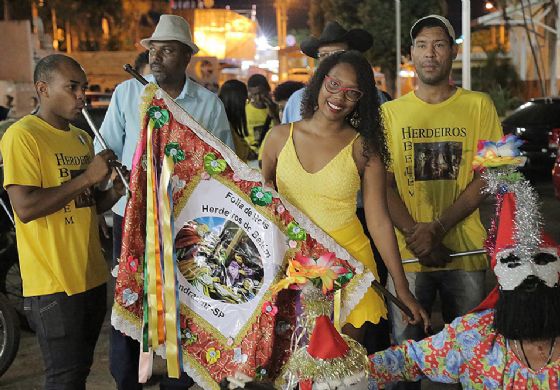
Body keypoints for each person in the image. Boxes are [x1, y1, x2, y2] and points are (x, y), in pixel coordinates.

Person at [96, 14, 233, 390]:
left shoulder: (208, 104)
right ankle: (127, 377)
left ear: (187, 56)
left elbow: (223, 164)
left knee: (186, 299)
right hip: (132, 217)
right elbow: (103, 147)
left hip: (187, 222)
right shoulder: (127, 93)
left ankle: (179, 377)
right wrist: (118, 174)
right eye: (153, 50)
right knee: (129, 294)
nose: (156, 58)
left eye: (167, 50)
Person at [261, 50, 430, 346]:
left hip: (348, 267)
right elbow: (262, 204)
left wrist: (401, 287)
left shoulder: (364, 148)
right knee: (295, 369)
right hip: (291, 264)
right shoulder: (278, 137)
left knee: (341, 369)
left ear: (361, 100)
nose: (339, 97)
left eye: (352, 92)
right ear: (318, 83)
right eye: (334, 85)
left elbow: (378, 220)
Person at [382, 14, 504, 376]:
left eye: (438, 44)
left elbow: (491, 175)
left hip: (466, 252)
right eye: (421, 45)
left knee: (468, 357)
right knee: (405, 359)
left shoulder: (479, 106)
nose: (429, 53)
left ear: (452, 53)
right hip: (405, 258)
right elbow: (382, 185)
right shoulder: (389, 113)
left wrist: (437, 227)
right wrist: (418, 236)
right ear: (411, 55)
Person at [369, 164, 560, 388]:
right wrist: (345, 370)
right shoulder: (473, 337)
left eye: (541, 262)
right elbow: (405, 360)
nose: (529, 277)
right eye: (514, 264)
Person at [0, 54, 126, 389]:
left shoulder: (82, 139)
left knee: (79, 372)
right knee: (63, 378)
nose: (82, 95)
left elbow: (87, 205)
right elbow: (25, 207)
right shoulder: (22, 136)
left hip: (91, 276)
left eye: (83, 87)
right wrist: (87, 177)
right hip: (54, 282)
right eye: (72, 87)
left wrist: (113, 190)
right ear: (43, 88)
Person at [281, 21, 376, 124]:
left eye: (339, 54)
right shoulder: (297, 100)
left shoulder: (373, 98)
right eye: (324, 55)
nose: (331, 61)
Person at [244, 74, 279, 165]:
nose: (258, 98)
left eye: (261, 93)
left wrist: (274, 115)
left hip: (271, 159)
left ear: (268, 91)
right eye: (254, 94)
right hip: (251, 160)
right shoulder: (244, 110)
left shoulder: (278, 109)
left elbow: (281, 132)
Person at [219, 79, 252, 162]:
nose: (246, 104)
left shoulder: (226, 123)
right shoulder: (224, 127)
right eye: (245, 100)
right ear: (237, 101)